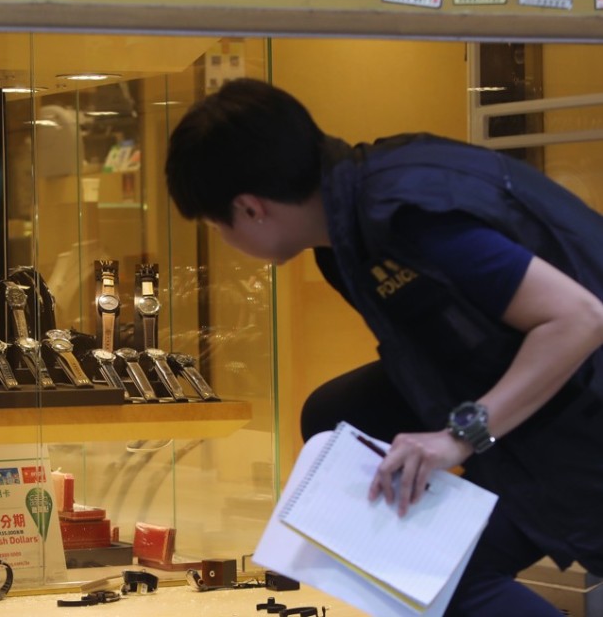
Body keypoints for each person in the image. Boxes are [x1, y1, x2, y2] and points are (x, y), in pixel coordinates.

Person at [165, 78, 603, 616]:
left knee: (443, 584)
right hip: (523, 390)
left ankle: (448, 572)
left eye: (216, 225)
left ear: (251, 208)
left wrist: (459, 437)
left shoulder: (405, 217)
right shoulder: (343, 229)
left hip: (578, 398)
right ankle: (430, 555)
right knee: (338, 415)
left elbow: (579, 319)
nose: (224, 240)